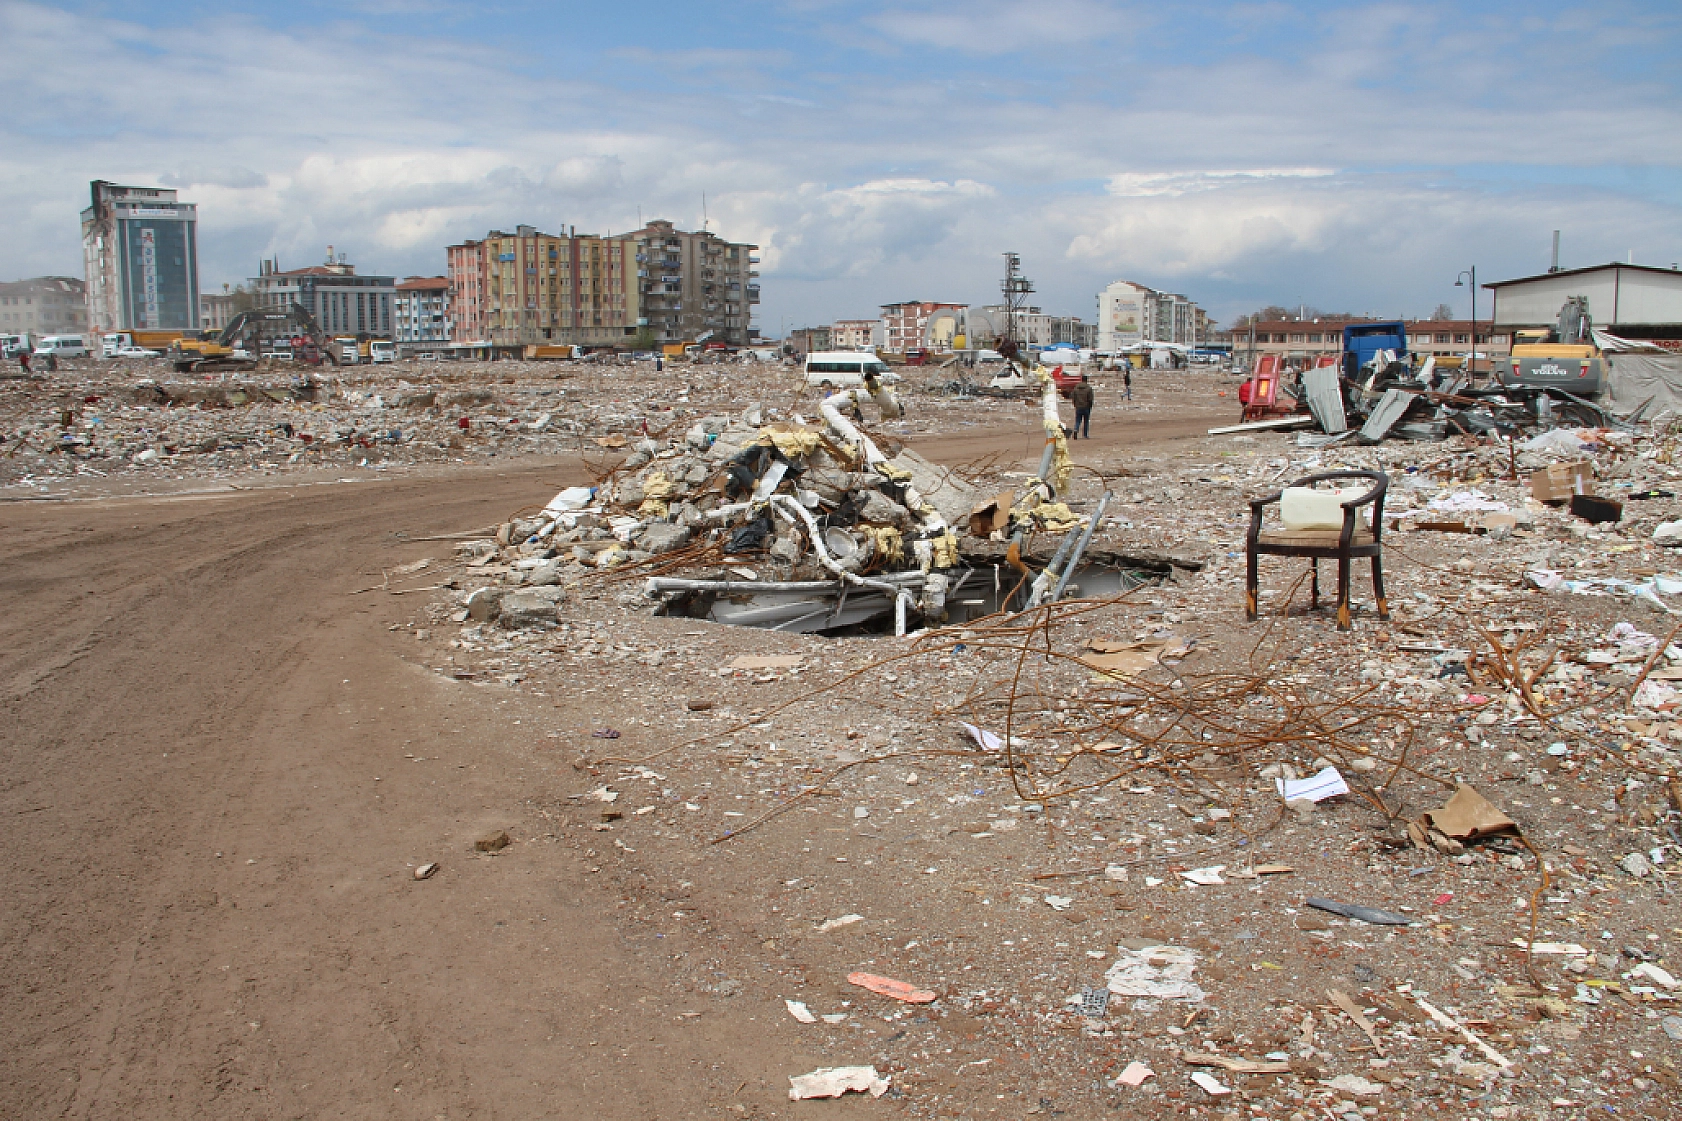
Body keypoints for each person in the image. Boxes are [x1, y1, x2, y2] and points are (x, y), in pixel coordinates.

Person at [1069, 374, 1094, 439]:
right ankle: (1085, 435)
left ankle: (1076, 429)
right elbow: (1090, 399)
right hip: (1086, 407)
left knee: (1078, 420)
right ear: (1086, 380)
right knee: (1086, 421)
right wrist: (1090, 406)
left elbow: (1073, 397)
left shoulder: (1076, 388)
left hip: (1078, 407)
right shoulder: (1089, 388)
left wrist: (1075, 404)